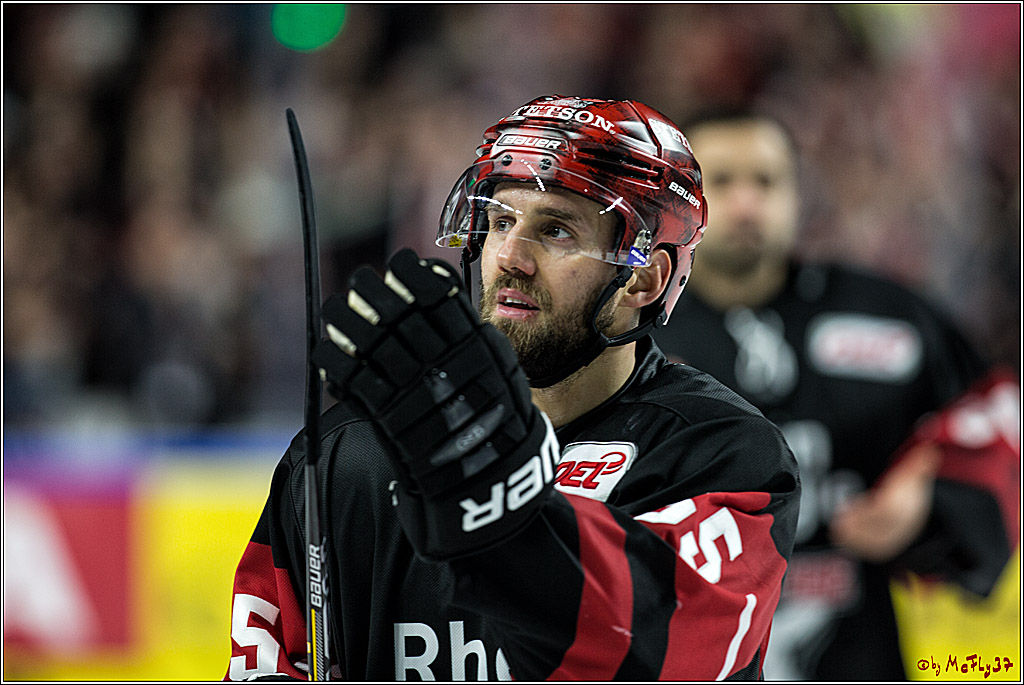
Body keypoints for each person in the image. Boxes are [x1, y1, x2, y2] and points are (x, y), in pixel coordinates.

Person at [225, 95, 801, 681]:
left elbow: (663, 651)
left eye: (555, 230)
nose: (511, 257)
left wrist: (495, 495)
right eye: (501, 221)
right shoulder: (346, 457)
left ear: (644, 279)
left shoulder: (725, 454)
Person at [651, 107, 1020, 681]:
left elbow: (995, 416)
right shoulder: (632, 331)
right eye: (721, 181)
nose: (747, 203)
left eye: (767, 181)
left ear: (799, 194)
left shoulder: (888, 316)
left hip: (873, 647)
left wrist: (933, 492)